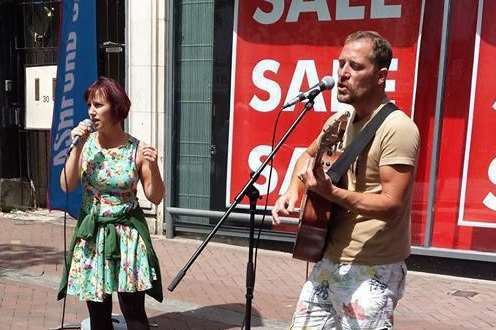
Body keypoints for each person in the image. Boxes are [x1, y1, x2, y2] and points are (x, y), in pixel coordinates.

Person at [272, 31, 420, 329]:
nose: (342, 74)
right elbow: (306, 156)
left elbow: (391, 204)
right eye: (341, 64)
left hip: (374, 267)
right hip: (330, 258)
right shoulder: (339, 122)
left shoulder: (398, 129)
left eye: (355, 66)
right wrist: (291, 190)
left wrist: (331, 192)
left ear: (380, 76)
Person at [57, 76, 165, 330]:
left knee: (134, 312)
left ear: (116, 108)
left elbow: (156, 196)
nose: (91, 112)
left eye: (98, 105)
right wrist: (76, 147)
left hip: (127, 236)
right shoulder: (85, 145)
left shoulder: (136, 148)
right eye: (90, 105)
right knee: (98, 313)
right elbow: (66, 184)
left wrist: (153, 166)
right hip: (92, 236)